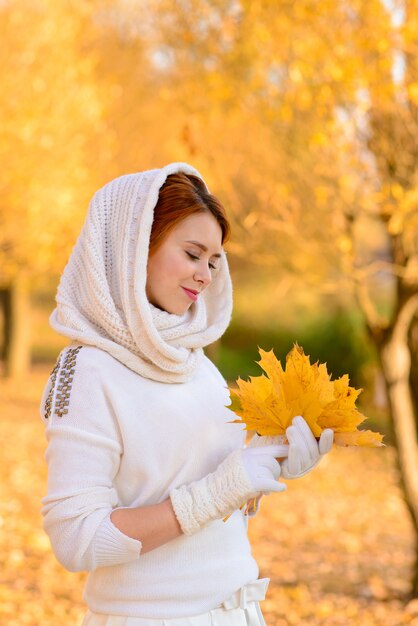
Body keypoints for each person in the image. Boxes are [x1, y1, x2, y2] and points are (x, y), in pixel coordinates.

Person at [39, 162, 333, 626]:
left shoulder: (196, 365)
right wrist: (220, 491)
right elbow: (76, 539)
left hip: (239, 611)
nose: (206, 275)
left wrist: (270, 464)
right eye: (193, 254)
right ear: (135, 247)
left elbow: (208, 491)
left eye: (214, 261)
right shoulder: (89, 370)